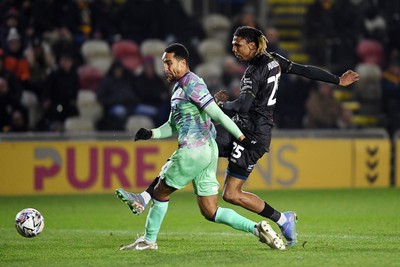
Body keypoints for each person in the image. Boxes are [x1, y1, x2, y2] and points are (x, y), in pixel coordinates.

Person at [119, 27, 360, 248]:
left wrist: (218, 104)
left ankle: (281, 219)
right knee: (204, 139)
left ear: (254, 45)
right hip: (244, 126)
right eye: (233, 44)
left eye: (239, 45)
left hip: (253, 132)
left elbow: (243, 105)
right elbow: (304, 70)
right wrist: (337, 80)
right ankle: (146, 197)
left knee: (231, 194)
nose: (234, 49)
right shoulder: (274, 60)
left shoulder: (254, 72)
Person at [116, 43, 286, 251]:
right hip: (207, 151)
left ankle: (148, 234)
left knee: (161, 192)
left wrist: (241, 137)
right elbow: (172, 125)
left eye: (169, 63)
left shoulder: (192, 83)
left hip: (193, 150)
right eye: (164, 64)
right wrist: (151, 133)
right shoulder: (179, 88)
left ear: (183, 62)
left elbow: (217, 114)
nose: (165, 68)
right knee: (210, 210)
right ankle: (257, 228)